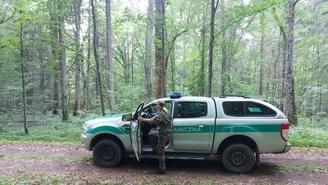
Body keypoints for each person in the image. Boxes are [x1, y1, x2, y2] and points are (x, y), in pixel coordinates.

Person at [138, 100, 171, 174]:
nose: (156, 106)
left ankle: (162, 169)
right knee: (151, 134)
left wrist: (142, 119)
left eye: (157, 105)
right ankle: (154, 149)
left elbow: (152, 121)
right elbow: (156, 119)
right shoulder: (165, 112)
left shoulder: (161, 114)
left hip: (163, 134)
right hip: (163, 131)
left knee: (161, 152)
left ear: (159, 106)